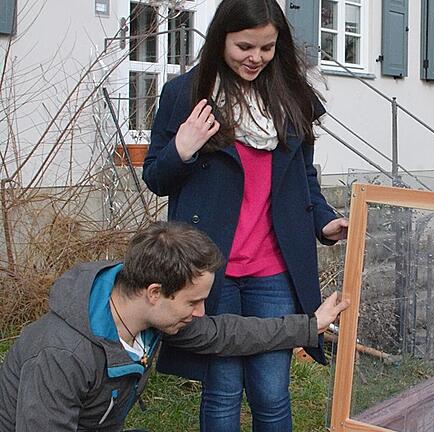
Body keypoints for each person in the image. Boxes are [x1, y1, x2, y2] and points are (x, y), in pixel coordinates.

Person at [141, 0, 348, 430]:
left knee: (272, 393)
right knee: (222, 392)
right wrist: (183, 147)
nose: (255, 57)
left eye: (267, 48)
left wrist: (324, 222)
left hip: (273, 268)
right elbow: (158, 177)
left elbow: (302, 177)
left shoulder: (292, 97)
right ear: (221, 40)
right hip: (209, 271)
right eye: (244, 46)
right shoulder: (186, 95)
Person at [0, 221, 348, 431]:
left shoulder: (144, 315)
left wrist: (310, 325)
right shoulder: (60, 354)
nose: (200, 313)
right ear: (154, 292)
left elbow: (224, 333)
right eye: (193, 302)